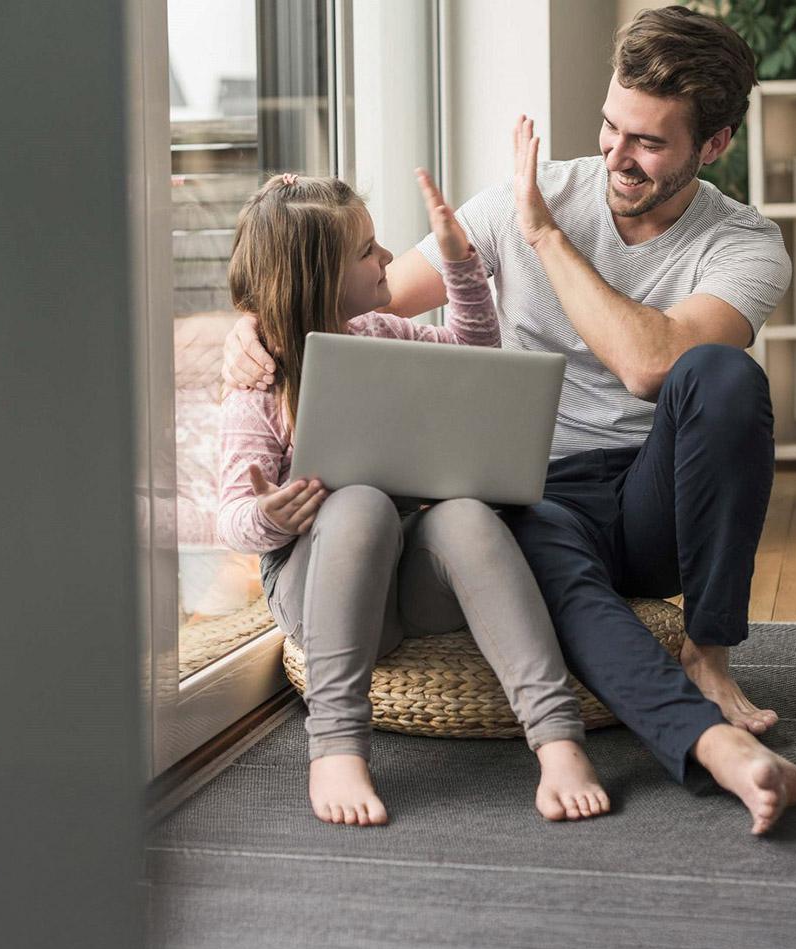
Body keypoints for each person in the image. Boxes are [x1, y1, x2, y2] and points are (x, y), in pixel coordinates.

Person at [222, 7, 796, 835]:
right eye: (611, 127)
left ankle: (709, 654)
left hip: (654, 501)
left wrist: (542, 236)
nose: (616, 154)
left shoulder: (744, 243)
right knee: (549, 571)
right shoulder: (520, 197)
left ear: (711, 147)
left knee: (723, 373)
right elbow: (359, 304)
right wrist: (251, 326)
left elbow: (654, 366)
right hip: (532, 499)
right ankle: (714, 749)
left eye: (650, 142)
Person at [218, 169, 611, 827]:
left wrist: (459, 264)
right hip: (322, 595)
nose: (388, 258)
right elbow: (233, 516)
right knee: (359, 503)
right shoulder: (261, 384)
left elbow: (473, 357)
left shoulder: (380, 333)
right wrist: (266, 515)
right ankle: (337, 745)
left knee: (464, 515)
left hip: (406, 585)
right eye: (367, 250)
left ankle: (556, 736)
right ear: (318, 273)